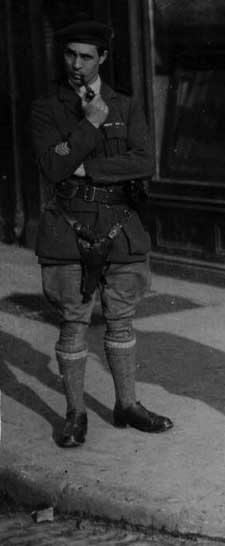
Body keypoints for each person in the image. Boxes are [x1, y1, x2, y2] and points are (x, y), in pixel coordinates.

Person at [29, 17, 173, 448]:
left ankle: (126, 403)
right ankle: (75, 413)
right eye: (70, 54)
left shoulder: (127, 106)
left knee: (122, 319)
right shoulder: (46, 108)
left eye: (86, 56)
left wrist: (86, 166)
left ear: (103, 58)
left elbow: (145, 162)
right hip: (67, 228)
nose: (76, 64)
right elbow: (53, 166)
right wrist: (90, 123)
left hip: (121, 226)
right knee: (74, 322)